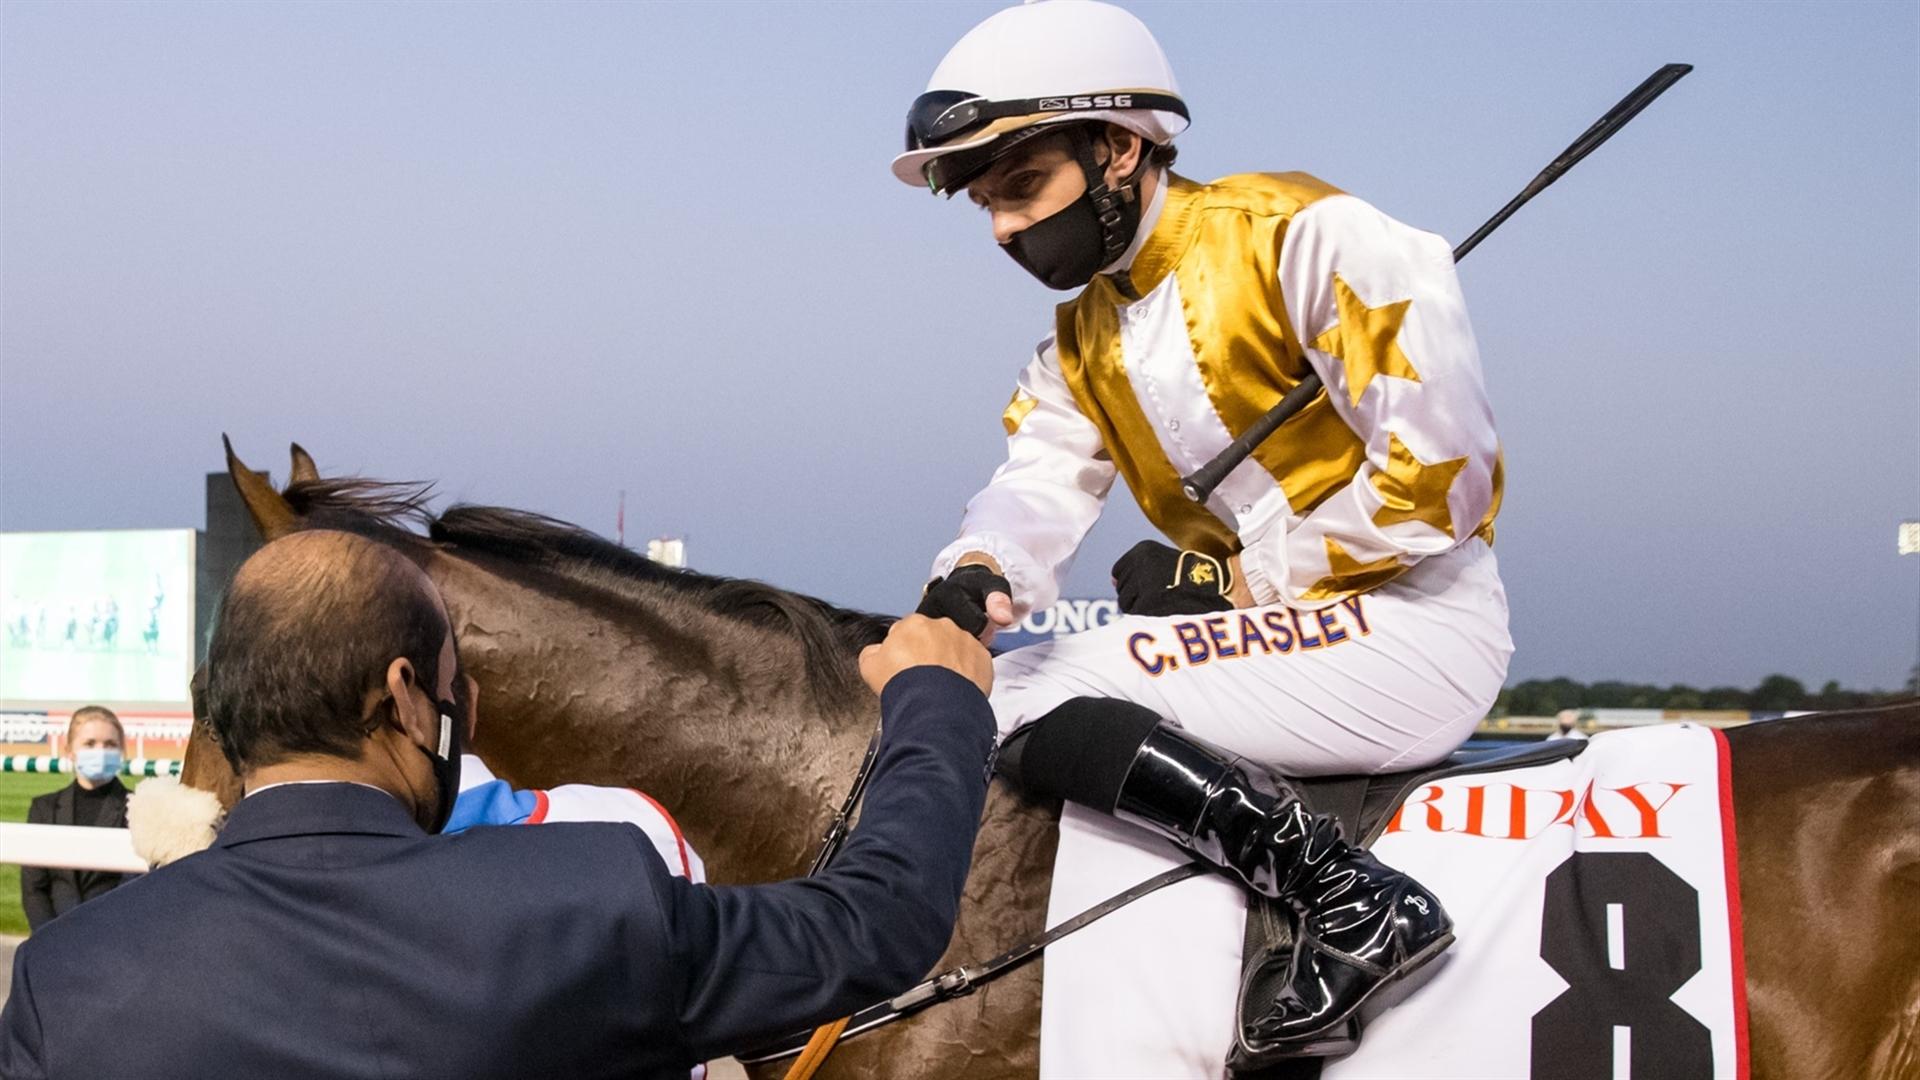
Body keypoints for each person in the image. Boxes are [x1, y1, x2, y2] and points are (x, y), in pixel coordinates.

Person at [895, 1, 1511, 1072]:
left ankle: (1350, 900)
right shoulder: (1080, 336)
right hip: (1292, 639)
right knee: (997, 673)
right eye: (986, 205)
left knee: (1022, 695)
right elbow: (1038, 481)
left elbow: (1443, 481)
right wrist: (974, 576)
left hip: (1413, 625)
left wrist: (1239, 577)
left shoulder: (1306, 234)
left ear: (1121, 148)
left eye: (1021, 189)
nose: (1002, 230)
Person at [1, 530, 998, 1079]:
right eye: (452, 681)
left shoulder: (66, 982)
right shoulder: (588, 899)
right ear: (401, 694)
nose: (464, 707)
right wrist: (939, 701)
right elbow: (876, 921)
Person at [21, 706, 132, 930]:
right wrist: (48, 939)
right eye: (90, 744)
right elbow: (34, 888)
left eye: (110, 744)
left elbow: (133, 887)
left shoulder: (137, 807)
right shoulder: (44, 808)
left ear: (121, 750)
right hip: (53, 941)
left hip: (113, 939)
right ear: (69, 750)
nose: (100, 751)